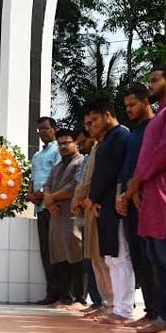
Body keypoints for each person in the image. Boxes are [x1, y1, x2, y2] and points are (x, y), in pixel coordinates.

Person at [123, 64, 166, 333]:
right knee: (154, 258)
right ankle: (162, 316)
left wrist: (137, 180)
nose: (149, 85)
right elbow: (146, 155)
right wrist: (137, 185)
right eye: (149, 80)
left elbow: (164, 153)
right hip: (151, 193)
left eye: (155, 80)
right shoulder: (160, 115)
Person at [83, 98, 131, 325]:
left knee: (120, 258)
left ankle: (123, 309)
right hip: (103, 205)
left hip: (114, 204)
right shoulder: (106, 140)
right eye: (88, 123)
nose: (90, 126)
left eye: (94, 120)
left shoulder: (120, 136)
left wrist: (92, 199)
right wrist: (93, 200)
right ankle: (116, 307)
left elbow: (110, 173)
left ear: (108, 114)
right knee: (111, 258)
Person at [116, 84, 158, 329]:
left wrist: (136, 191)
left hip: (147, 199)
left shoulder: (155, 127)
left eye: (132, 104)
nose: (129, 110)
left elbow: (152, 163)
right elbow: (127, 167)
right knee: (139, 259)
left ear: (146, 101)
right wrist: (122, 195)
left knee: (153, 257)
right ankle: (151, 311)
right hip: (129, 201)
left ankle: (161, 312)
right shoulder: (134, 133)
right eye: (126, 106)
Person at [43, 129, 87, 309]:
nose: (62, 146)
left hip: (72, 214)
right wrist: (48, 199)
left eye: (66, 143)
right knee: (59, 255)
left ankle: (80, 298)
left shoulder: (81, 162)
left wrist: (51, 198)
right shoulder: (58, 166)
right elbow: (46, 184)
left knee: (76, 254)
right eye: (60, 144)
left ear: (75, 143)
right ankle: (65, 297)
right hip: (56, 215)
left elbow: (75, 187)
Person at [27, 116, 61, 305]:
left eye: (46, 129)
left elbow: (57, 176)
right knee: (46, 252)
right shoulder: (37, 155)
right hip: (40, 208)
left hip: (54, 205)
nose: (42, 133)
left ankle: (62, 293)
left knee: (57, 251)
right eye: (39, 130)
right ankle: (51, 292)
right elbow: (32, 180)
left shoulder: (58, 150)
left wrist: (42, 194)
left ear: (54, 129)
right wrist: (30, 193)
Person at [71, 129, 103, 312]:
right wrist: (78, 201)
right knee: (89, 259)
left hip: (95, 208)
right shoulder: (87, 157)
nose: (81, 146)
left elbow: (93, 181)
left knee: (102, 259)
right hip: (84, 211)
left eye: (83, 142)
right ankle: (97, 301)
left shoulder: (99, 151)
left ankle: (108, 303)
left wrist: (85, 199)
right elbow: (80, 181)